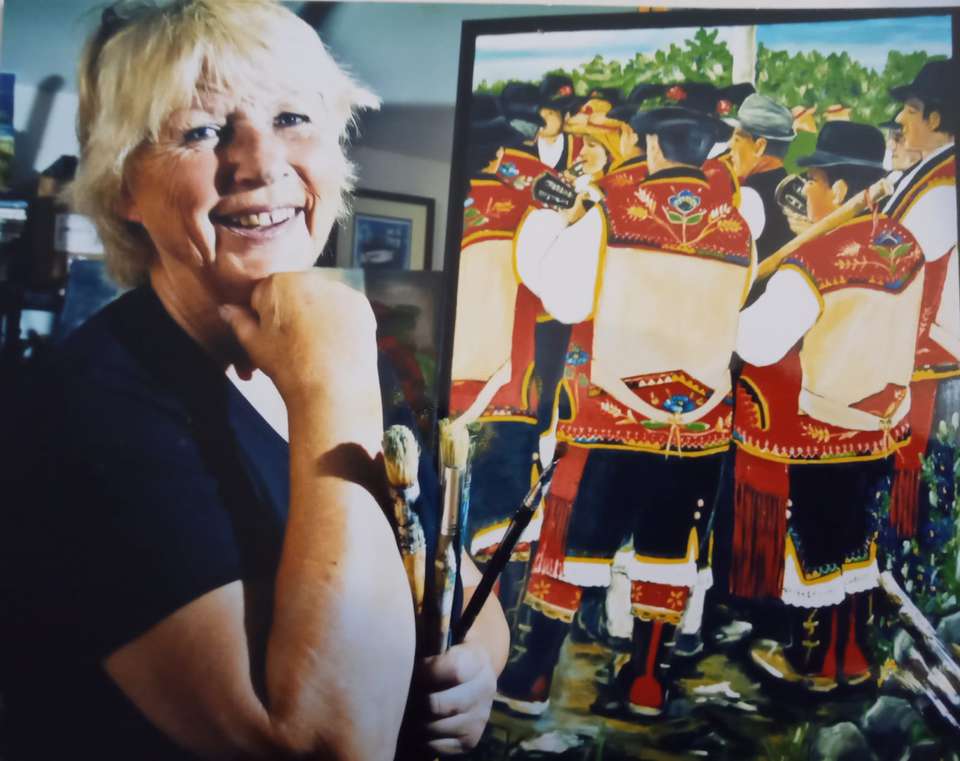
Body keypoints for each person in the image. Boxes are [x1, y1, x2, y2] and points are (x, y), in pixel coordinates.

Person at [0, 3, 507, 759]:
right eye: (202, 131)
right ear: (124, 188)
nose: (262, 163)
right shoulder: (86, 414)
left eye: (293, 118)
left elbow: (457, 574)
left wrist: (478, 668)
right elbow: (324, 744)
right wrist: (332, 387)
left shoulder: (336, 352)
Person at [495, 104, 753, 718]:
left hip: (614, 412)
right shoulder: (739, 227)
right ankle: (646, 684)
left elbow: (563, 298)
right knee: (667, 551)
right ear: (705, 151)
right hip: (697, 421)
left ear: (654, 147)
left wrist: (554, 219)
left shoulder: (614, 210)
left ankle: (534, 678)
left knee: (574, 543)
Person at [733, 121, 924, 692]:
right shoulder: (904, 244)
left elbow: (756, 343)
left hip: (825, 426)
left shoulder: (813, 261)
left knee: (818, 544)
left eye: (813, 180)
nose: (806, 190)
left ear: (839, 189)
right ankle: (852, 658)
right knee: (856, 543)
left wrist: (738, 305)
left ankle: (814, 662)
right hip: (883, 425)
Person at [881, 59, 958, 539]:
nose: (901, 120)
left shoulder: (942, 188)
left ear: (935, 117)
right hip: (916, 356)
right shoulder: (929, 174)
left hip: (929, 363)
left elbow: (893, 266)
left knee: (918, 492)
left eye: (910, 110)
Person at [725, 93, 796, 264]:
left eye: (737, 139)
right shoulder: (794, 191)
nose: (730, 145)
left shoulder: (748, 198)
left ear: (759, 146)